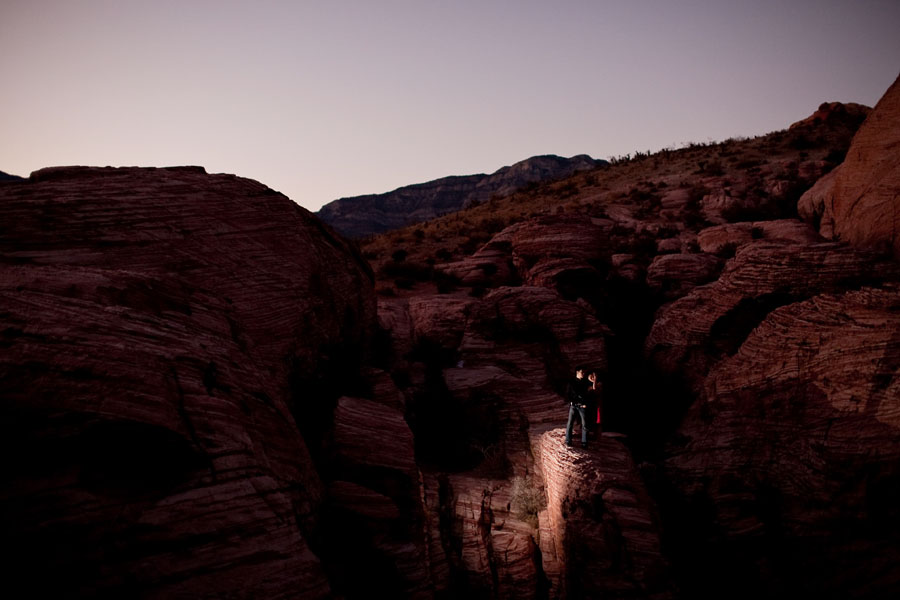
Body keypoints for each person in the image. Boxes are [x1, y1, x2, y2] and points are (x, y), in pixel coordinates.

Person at [565, 367, 598, 448]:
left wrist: (594, 381)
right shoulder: (571, 382)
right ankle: (568, 441)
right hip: (574, 405)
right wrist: (573, 401)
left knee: (585, 425)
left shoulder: (585, 382)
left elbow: (591, 392)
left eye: (584, 372)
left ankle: (584, 443)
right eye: (582, 372)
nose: (583, 374)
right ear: (577, 372)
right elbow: (568, 394)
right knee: (570, 423)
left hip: (582, 406)